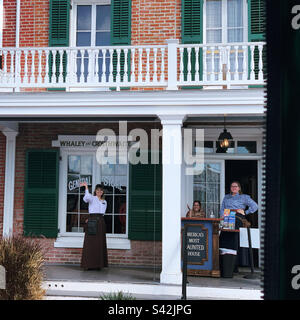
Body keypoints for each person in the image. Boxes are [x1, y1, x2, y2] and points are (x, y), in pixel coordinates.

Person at [80, 181, 108, 270]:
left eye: (101, 190)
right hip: (92, 221)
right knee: (90, 243)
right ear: (95, 191)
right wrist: (86, 188)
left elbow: (102, 213)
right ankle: (88, 264)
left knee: (100, 243)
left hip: (101, 222)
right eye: (97, 190)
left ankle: (98, 265)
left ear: (103, 192)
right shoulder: (92, 198)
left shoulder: (105, 201)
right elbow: (86, 198)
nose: (99, 192)